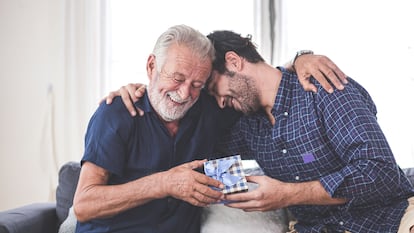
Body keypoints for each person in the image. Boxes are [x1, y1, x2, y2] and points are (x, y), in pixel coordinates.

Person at [111, 30, 414, 233]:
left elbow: (381, 174)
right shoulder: (246, 125)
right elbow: (191, 155)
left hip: (391, 219)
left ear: (234, 61)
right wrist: (146, 91)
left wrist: (287, 194)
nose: (219, 102)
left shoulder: (322, 88)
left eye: (215, 89)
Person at [75, 24, 346, 233]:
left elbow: (257, 83)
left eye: (197, 84)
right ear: (151, 66)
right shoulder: (117, 113)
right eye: (177, 78)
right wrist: (165, 183)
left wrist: (300, 59)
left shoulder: (207, 109)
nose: (183, 93)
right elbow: (84, 205)